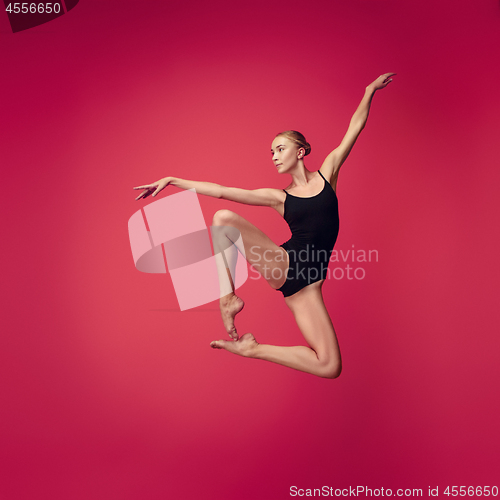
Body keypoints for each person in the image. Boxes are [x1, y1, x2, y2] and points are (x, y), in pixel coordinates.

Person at [133, 73, 396, 378]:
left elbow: (355, 127)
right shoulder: (279, 197)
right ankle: (228, 298)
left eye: (280, 149)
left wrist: (368, 91)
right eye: (271, 152)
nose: (273, 156)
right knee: (223, 218)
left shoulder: (328, 174)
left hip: (307, 288)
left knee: (329, 365)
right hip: (286, 264)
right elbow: (221, 190)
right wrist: (173, 180)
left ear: (300, 151)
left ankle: (252, 349)